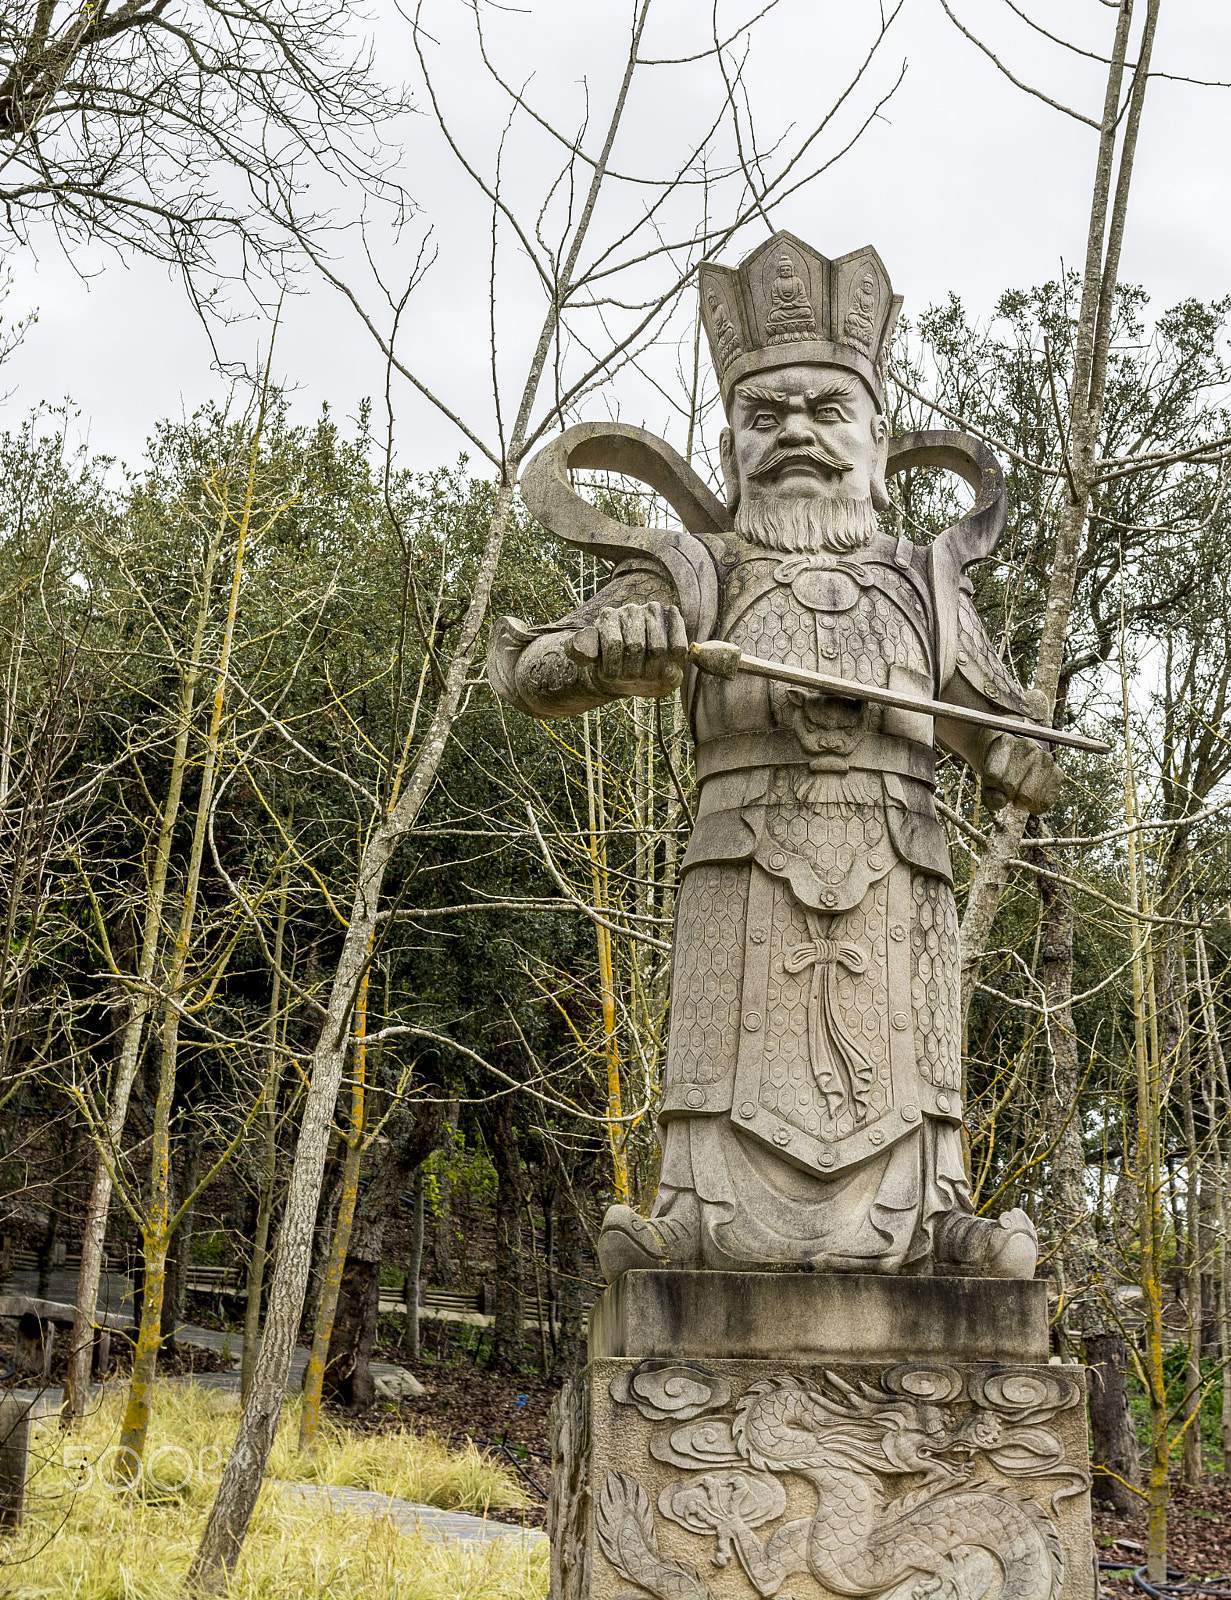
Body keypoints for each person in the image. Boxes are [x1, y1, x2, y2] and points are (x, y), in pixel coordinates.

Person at [488, 233, 1060, 1283]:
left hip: (896, 867)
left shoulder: (921, 584)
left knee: (907, 1067)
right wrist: (612, 656)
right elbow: (533, 673)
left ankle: (937, 1217)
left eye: (825, 409)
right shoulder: (699, 567)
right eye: (766, 414)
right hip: (742, 862)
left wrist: (1017, 756)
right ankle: (690, 1213)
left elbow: (1009, 735)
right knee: (726, 1056)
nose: (795, 430)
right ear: (728, 446)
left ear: (879, 441)